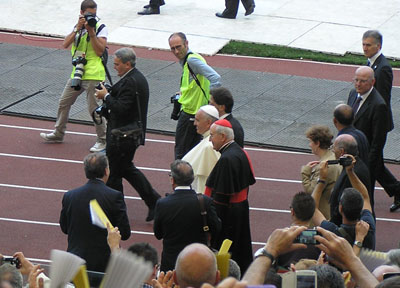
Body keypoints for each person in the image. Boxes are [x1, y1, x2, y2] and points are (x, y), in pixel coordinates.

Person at [95, 47, 161, 222]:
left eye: (117, 64)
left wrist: (106, 96)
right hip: (126, 135)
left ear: (127, 64)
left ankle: (116, 211)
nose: (114, 67)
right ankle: (153, 201)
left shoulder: (131, 82)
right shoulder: (134, 78)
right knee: (126, 170)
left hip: (122, 136)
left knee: (115, 175)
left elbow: (121, 109)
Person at [40, 0, 107, 152]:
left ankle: (103, 140)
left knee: (94, 109)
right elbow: (65, 44)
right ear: (82, 13)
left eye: (95, 14)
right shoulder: (77, 27)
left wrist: (91, 32)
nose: (93, 17)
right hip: (77, 72)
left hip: (93, 74)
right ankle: (58, 133)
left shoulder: (101, 27)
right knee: (64, 102)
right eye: (90, 14)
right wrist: (77, 29)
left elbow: (99, 51)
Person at [59, 153, 131, 273]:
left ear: (86, 172)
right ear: (106, 171)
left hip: (75, 262)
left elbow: (65, 228)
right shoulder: (115, 197)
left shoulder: (70, 196)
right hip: (104, 265)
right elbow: (125, 232)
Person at [347, 66, 400, 212]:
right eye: (356, 80)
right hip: (352, 151)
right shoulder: (353, 94)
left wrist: (369, 163)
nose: (358, 84)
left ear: (372, 82)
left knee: (366, 194)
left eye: (362, 81)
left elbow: (378, 140)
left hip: (365, 156)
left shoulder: (379, 105)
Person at [205, 119, 255, 273]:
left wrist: (214, 225)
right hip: (240, 209)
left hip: (229, 216)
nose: (209, 139)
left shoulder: (227, 159)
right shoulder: (240, 151)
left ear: (222, 136)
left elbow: (220, 199)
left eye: (212, 135)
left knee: (226, 252)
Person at [153, 160, 221, 272]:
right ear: (192, 179)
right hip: (199, 261)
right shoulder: (205, 202)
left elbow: (158, 234)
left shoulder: (162, 204)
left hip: (172, 264)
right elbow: (217, 227)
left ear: (172, 180)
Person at [363, 30, 400, 212]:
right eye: (363, 44)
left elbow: (382, 99)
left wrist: (375, 122)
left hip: (377, 123)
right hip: (371, 122)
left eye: (368, 45)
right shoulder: (371, 64)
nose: (365, 48)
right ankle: (396, 189)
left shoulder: (383, 68)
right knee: (375, 163)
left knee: (373, 162)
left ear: (379, 46)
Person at [168, 32, 221, 160]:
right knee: (193, 152)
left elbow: (215, 78)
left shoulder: (192, 60)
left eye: (178, 47)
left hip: (191, 114)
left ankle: (179, 177)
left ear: (186, 44)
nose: (176, 51)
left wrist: (211, 104)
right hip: (194, 113)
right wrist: (183, 93)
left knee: (181, 153)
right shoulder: (188, 60)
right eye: (172, 48)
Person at [312, 154, 376, 250]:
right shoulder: (368, 227)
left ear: (340, 208)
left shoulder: (332, 232)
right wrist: (350, 171)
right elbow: (365, 196)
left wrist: (321, 180)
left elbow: (312, 208)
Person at [328, 134, 371, 225]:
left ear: (342, 151)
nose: (332, 150)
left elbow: (343, 202)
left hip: (344, 226)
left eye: (333, 147)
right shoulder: (357, 165)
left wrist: (330, 225)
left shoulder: (351, 174)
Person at [301, 125, 341, 219]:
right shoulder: (334, 157)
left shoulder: (323, 166)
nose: (309, 144)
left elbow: (312, 191)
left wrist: (305, 173)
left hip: (323, 214)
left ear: (317, 143)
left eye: (310, 141)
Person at [274, 192, 321, 269]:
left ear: (292, 212)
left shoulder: (280, 238)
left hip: (283, 278)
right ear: (312, 214)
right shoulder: (318, 240)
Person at [182, 105, 220, 193]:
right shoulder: (207, 139)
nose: (194, 123)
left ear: (208, 123)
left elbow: (204, 181)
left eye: (197, 120)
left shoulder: (210, 146)